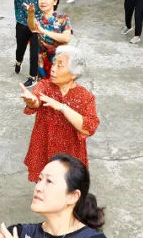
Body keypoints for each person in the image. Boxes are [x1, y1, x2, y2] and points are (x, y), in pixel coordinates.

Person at [20, 46, 99, 183]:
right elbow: (36, 100)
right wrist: (32, 102)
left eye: (60, 65)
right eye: (54, 63)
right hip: (44, 147)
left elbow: (89, 127)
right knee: (44, 185)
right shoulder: (44, 86)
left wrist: (62, 108)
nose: (53, 69)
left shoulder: (85, 97)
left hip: (70, 153)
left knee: (67, 186)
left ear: (74, 74)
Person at [27, 0, 72, 79]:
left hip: (59, 61)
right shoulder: (37, 19)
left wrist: (44, 31)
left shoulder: (63, 18)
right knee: (44, 85)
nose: (43, 1)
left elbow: (66, 38)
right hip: (42, 62)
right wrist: (31, 14)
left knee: (58, 84)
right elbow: (32, 27)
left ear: (55, 2)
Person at [10, 0, 41, 87]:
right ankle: (18, 62)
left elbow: (46, 1)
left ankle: (33, 76)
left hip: (36, 26)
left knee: (34, 51)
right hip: (22, 25)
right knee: (20, 48)